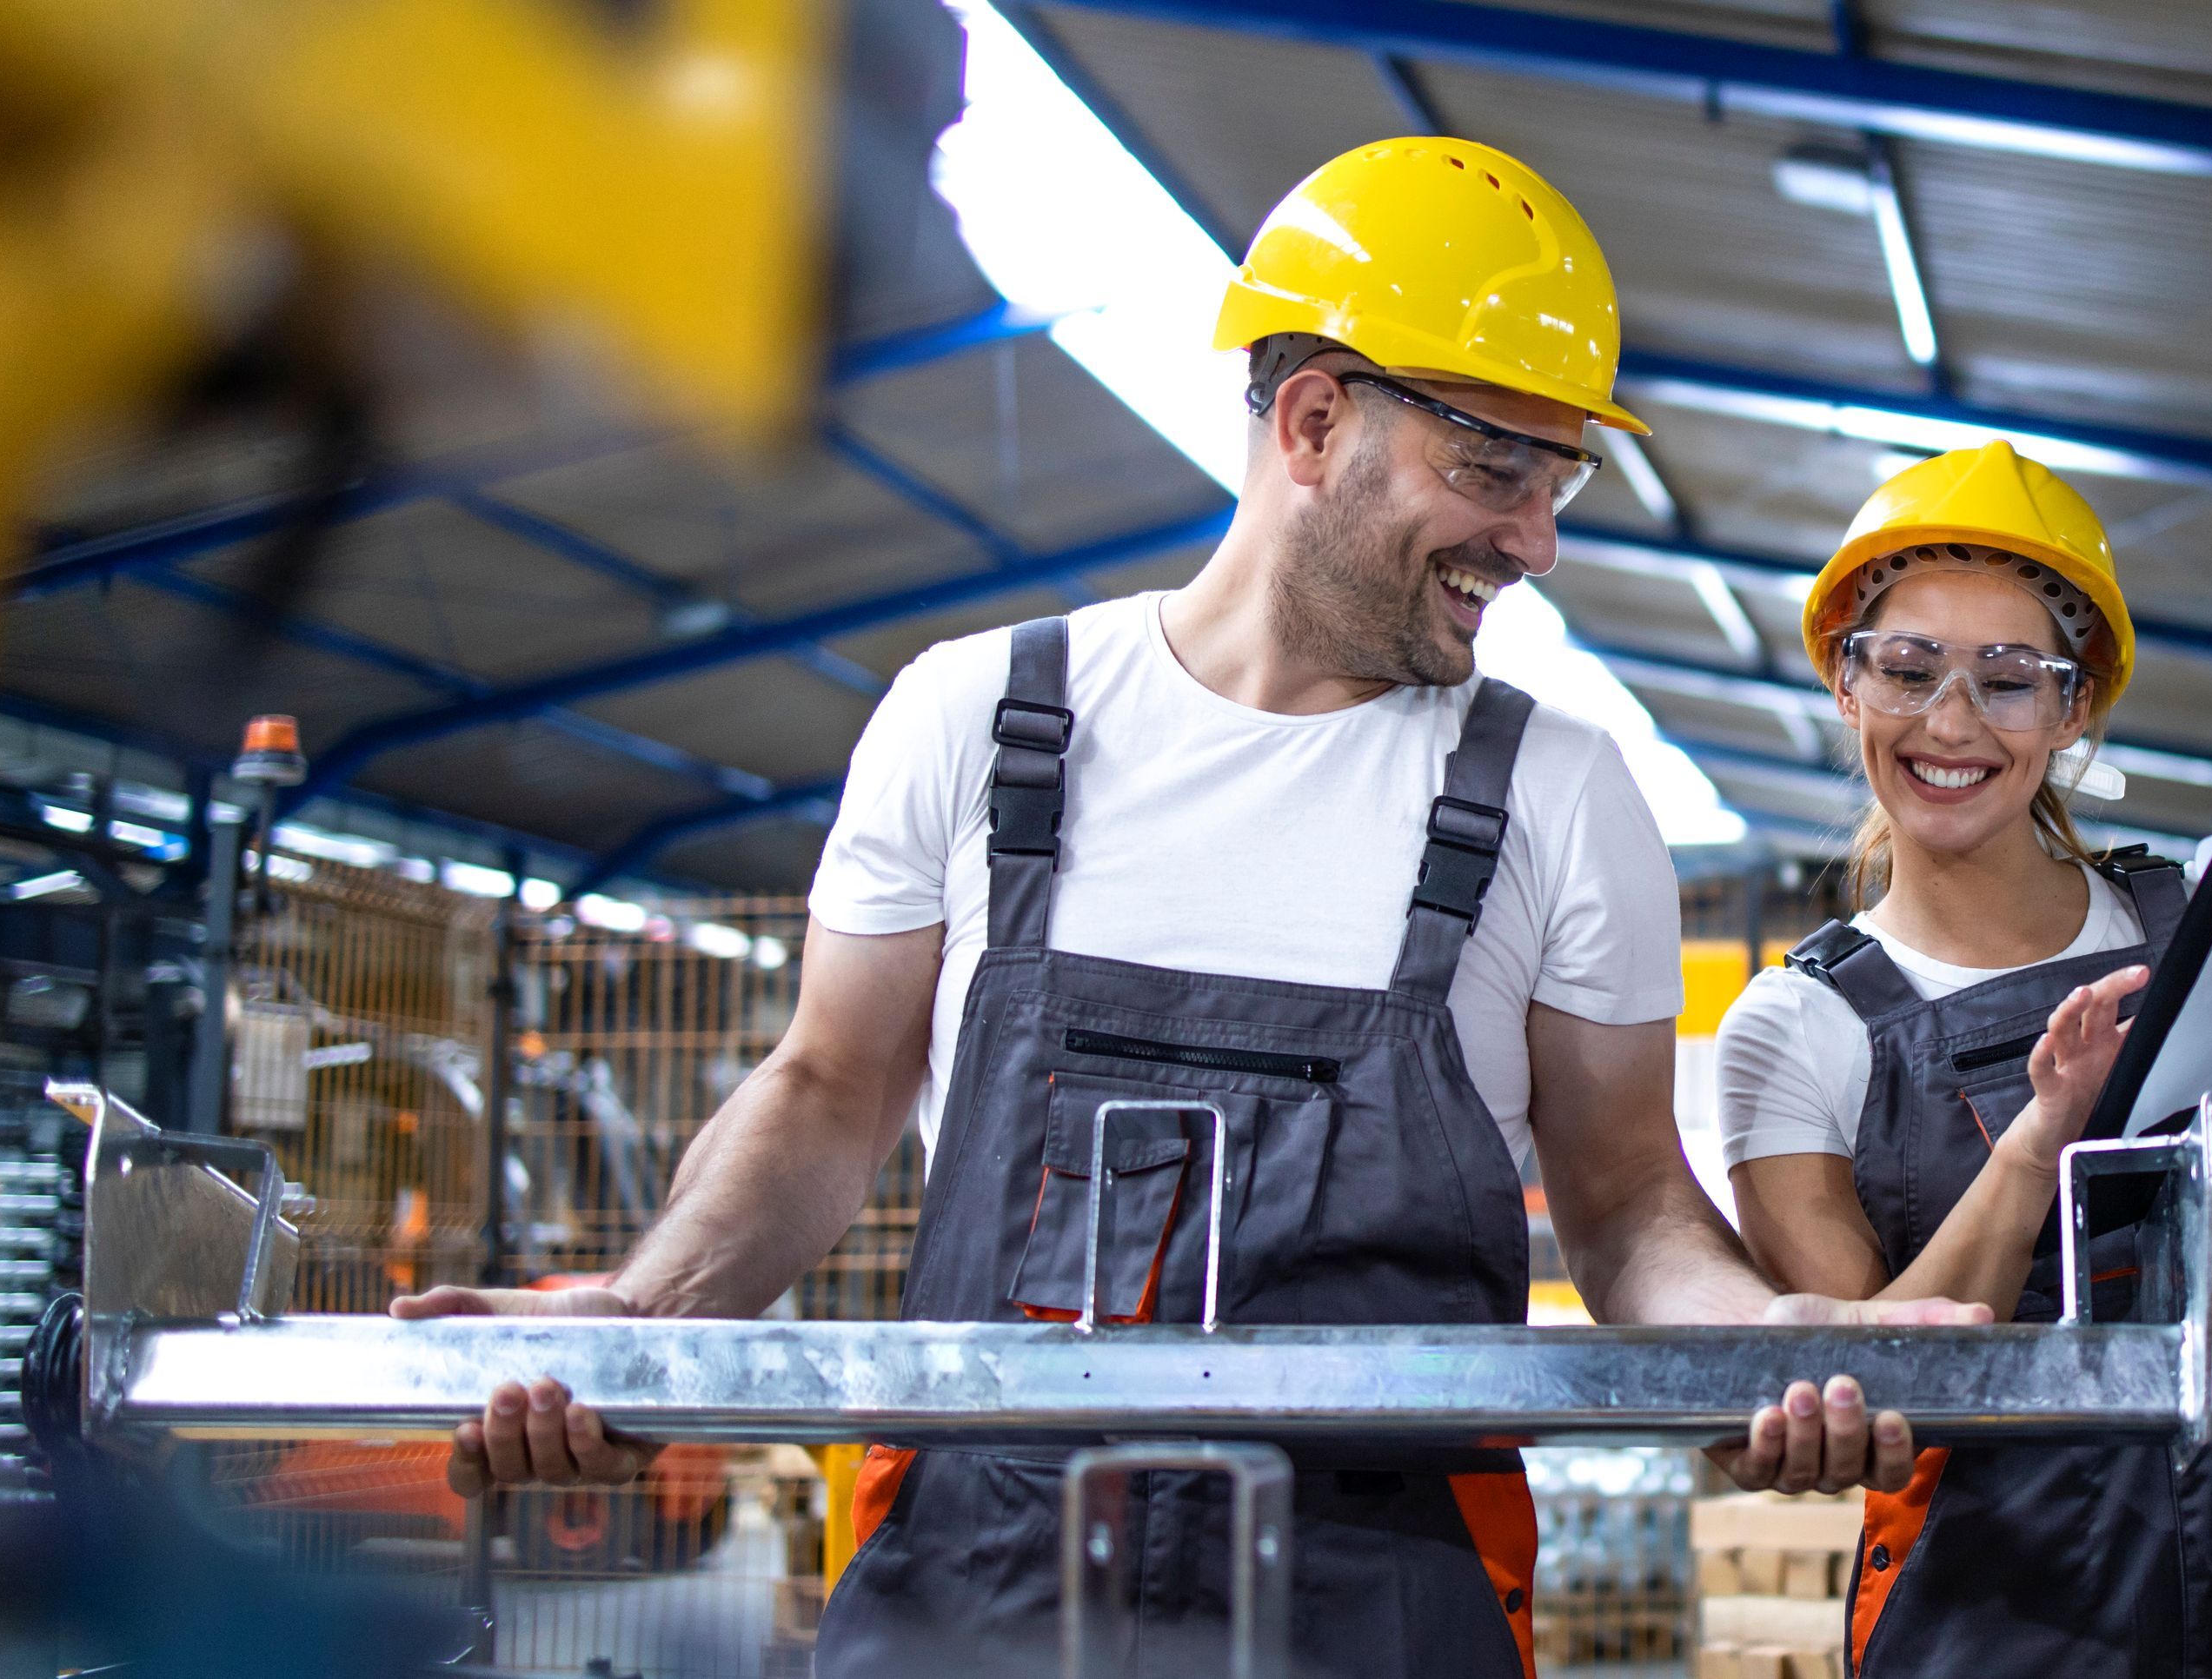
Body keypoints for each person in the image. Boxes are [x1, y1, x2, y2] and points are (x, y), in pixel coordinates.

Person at [391, 138, 1977, 1677]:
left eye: (1558, 481)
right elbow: (829, 1088)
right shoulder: (987, 721)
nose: (1538, 540)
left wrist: (1774, 1344)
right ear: (1308, 421)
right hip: (975, 1584)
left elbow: (1628, 1203)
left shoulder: (1556, 795)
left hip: (1377, 1602)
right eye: (1493, 469)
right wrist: (640, 1323)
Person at [1712, 441, 2212, 1679]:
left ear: (2075, 708)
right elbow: (1870, 1387)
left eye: (2009, 681)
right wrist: (2033, 1150)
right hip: (1995, 1621)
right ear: (1848, 685)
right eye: (1908, 670)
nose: (1951, 724)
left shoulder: (2202, 931)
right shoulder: (1793, 1034)